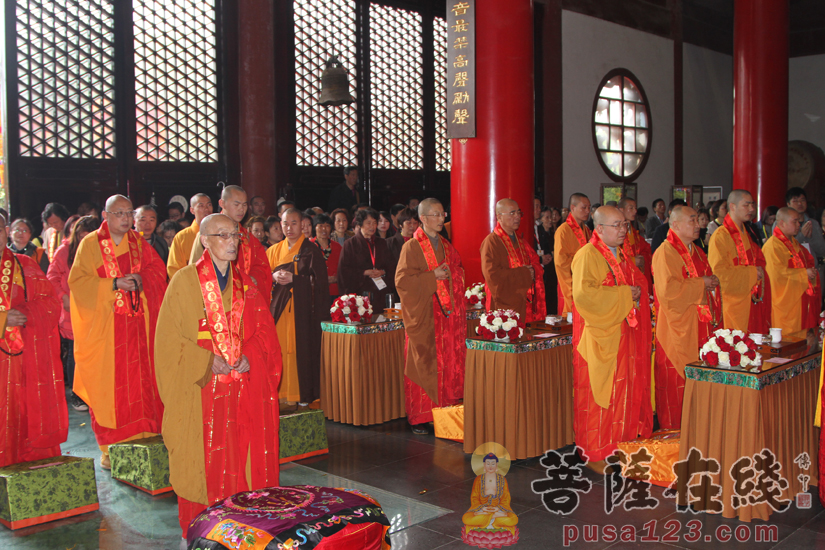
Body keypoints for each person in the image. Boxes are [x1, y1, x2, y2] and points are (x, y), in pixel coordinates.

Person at [154, 213, 282, 540]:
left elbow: (266, 335)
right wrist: (205, 359)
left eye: (235, 236)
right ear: (205, 241)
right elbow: (168, 343)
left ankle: (243, 526)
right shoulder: (184, 281)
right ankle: (203, 531)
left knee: (242, 460)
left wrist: (250, 356)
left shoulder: (247, 285)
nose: (231, 242)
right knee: (202, 464)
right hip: (201, 394)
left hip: (242, 394)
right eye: (222, 235)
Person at [69, 195, 167, 469]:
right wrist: (112, 283)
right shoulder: (89, 245)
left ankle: (148, 437)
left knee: (144, 382)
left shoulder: (138, 243)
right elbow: (78, 283)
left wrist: (140, 279)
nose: (125, 219)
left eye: (128, 213)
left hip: (139, 329)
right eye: (119, 213)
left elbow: (158, 271)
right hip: (107, 330)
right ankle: (112, 448)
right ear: (106, 215)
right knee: (109, 388)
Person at [571, 206, 652, 470]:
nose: (622, 230)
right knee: (598, 395)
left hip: (623, 334)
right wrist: (625, 295)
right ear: (600, 229)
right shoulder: (587, 255)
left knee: (623, 391)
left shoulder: (621, 254)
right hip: (599, 337)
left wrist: (633, 291)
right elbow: (584, 296)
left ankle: (620, 443)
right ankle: (595, 449)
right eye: (616, 225)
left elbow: (638, 283)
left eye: (624, 225)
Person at [0, 213, 68, 468]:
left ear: (6, 231)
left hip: (23, 363)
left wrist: (26, 314)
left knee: (22, 415)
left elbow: (50, 303)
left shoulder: (24, 265)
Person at [396, 198, 465, 435]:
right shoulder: (411, 247)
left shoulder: (447, 245)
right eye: (435, 215)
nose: (441, 219)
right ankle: (421, 417)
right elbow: (402, 281)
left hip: (445, 318)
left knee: (447, 363)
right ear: (423, 218)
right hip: (424, 314)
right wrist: (431, 277)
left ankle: (445, 410)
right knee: (423, 363)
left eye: (443, 214)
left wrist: (450, 275)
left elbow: (458, 269)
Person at [652, 206, 720, 430]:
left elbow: (709, 283)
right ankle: (673, 440)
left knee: (699, 383)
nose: (697, 224)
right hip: (675, 330)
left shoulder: (699, 252)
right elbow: (669, 292)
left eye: (697, 220)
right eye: (691, 220)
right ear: (675, 225)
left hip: (700, 328)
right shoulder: (665, 252)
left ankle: (698, 434)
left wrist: (711, 284)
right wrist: (702, 283)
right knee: (675, 387)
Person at [268, 208, 330, 411]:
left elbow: (320, 284)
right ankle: (279, 393)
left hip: (302, 314)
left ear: (303, 224)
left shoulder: (310, 251)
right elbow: (261, 277)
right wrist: (272, 277)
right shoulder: (274, 250)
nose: (289, 228)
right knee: (279, 352)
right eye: (285, 224)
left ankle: (302, 394)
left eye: (294, 223)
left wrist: (296, 280)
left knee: (300, 351)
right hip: (279, 312)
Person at [47, 215, 101, 413]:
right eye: (82, 236)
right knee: (75, 353)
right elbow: (51, 278)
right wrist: (63, 298)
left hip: (96, 310)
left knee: (95, 353)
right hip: (72, 311)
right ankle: (77, 395)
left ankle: (94, 392)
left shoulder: (101, 250)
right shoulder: (64, 251)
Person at [190, 186, 273, 298]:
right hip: (215, 296)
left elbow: (262, 266)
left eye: (244, 205)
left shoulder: (249, 239)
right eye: (236, 204)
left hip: (243, 298)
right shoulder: (208, 234)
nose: (241, 209)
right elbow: (195, 269)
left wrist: (254, 277)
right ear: (222, 203)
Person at [708, 190, 771, 333]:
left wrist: (758, 271)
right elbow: (720, 274)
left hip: (749, 301)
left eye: (752, 205)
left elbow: (759, 260)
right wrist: (752, 273)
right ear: (733, 206)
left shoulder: (747, 233)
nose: (752, 209)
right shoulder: (721, 236)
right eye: (746, 205)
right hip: (732, 304)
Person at [480, 199, 546, 323]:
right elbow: (492, 275)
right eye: (512, 213)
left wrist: (533, 270)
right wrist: (525, 273)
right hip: (503, 306)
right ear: (499, 216)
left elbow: (536, 264)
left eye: (518, 213)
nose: (517, 217)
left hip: (524, 302)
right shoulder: (491, 242)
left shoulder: (522, 242)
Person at [763, 207, 821, 334]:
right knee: (786, 346)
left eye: (798, 221)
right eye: (794, 221)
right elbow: (776, 276)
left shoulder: (795, 244)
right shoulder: (773, 246)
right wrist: (803, 274)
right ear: (782, 223)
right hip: (784, 306)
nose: (798, 225)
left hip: (799, 302)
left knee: (800, 346)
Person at [338, 208, 396, 307]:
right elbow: (343, 271)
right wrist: (364, 273)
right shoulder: (350, 244)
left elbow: (391, 266)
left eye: (374, 223)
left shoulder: (382, 243)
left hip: (380, 292)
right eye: (368, 223)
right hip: (360, 293)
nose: (372, 226)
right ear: (360, 224)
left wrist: (382, 272)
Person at [461, 453, 518, 536]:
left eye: (493, 463)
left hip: (498, 509)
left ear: (497, 465)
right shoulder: (478, 479)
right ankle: (494, 518)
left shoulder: (502, 479)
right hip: (481, 508)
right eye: (488, 463)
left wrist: (497, 509)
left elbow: (506, 498)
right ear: (484, 465)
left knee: (514, 519)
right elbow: (474, 498)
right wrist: (482, 508)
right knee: (466, 519)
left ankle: (487, 518)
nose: (490, 466)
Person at [554, 193, 592, 315]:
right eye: (584, 207)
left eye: (589, 208)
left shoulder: (586, 230)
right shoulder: (563, 230)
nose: (587, 211)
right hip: (571, 281)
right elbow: (561, 262)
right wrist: (571, 286)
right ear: (572, 208)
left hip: (586, 280)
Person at [785, 187, 825, 286]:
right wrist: (801, 235)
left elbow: (822, 250)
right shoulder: (782, 223)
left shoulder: (813, 223)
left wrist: (810, 237)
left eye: (802, 200)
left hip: (814, 271)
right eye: (795, 201)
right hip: (794, 273)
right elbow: (784, 247)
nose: (800, 204)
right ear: (788, 204)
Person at [167, 193, 213, 280]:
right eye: (201, 206)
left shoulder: (217, 234)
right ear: (192, 210)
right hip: (189, 285)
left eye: (209, 205)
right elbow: (174, 269)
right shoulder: (182, 237)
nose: (206, 209)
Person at [618, 198, 653, 288]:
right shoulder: (616, 231)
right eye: (631, 208)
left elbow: (645, 247)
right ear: (621, 210)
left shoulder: (632, 230)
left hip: (636, 274)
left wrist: (642, 258)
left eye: (635, 208)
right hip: (623, 277)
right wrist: (633, 261)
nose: (635, 211)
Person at [310, 213, 342, 298]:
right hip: (315, 290)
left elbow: (344, 267)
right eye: (320, 225)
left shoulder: (337, 246)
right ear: (314, 227)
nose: (324, 229)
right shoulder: (309, 246)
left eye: (327, 226)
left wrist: (336, 278)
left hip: (335, 291)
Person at [537, 207, 558, 314]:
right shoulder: (538, 232)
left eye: (551, 217)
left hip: (552, 268)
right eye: (547, 217)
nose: (550, 220)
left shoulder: (553, 233)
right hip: (543, 266)